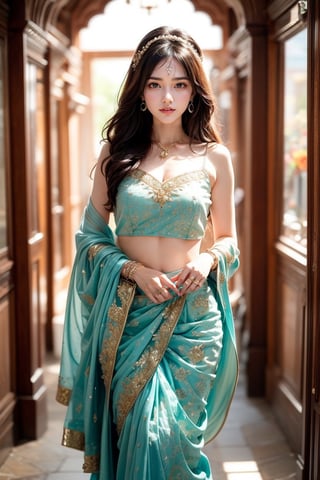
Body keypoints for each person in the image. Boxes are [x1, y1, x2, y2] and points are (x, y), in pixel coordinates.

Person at [56, 25, 240, 480]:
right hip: (127, 316)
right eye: (155, 83)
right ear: (140, 91)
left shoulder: (214, 157)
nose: (167, 96)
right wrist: (134, 271)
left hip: (192, 319)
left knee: (171, 438)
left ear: (195, 92)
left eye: (179, 84)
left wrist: (206, 259)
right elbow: (90, 239)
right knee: (140, 431)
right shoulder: (115, 154)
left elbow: (229, 241)